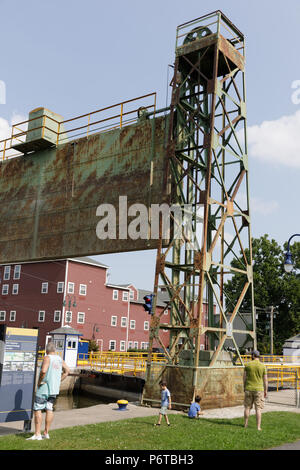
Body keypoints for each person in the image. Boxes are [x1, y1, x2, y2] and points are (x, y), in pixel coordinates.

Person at [27, 341, 70, 440]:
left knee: (38, 409)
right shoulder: (59, 359)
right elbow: (67, 371)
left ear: (46, 350)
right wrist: (58, 381)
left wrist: (39, 382)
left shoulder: (47, 358)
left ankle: (37, 434)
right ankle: (46, 433)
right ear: (55, 350)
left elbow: (43, 371)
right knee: (49, 409)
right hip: (54, 389)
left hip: (44, 388)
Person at [243, 349, 268, 431]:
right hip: (259, 389)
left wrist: (244, 387)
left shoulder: (247, 365)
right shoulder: (263, 366)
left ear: (253, 356)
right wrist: (266, 391)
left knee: (247, 407)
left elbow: (244, 378)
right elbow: (265, 380)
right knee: (258, 409)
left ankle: (245, 425)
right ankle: (258, 427)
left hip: (248, 388)